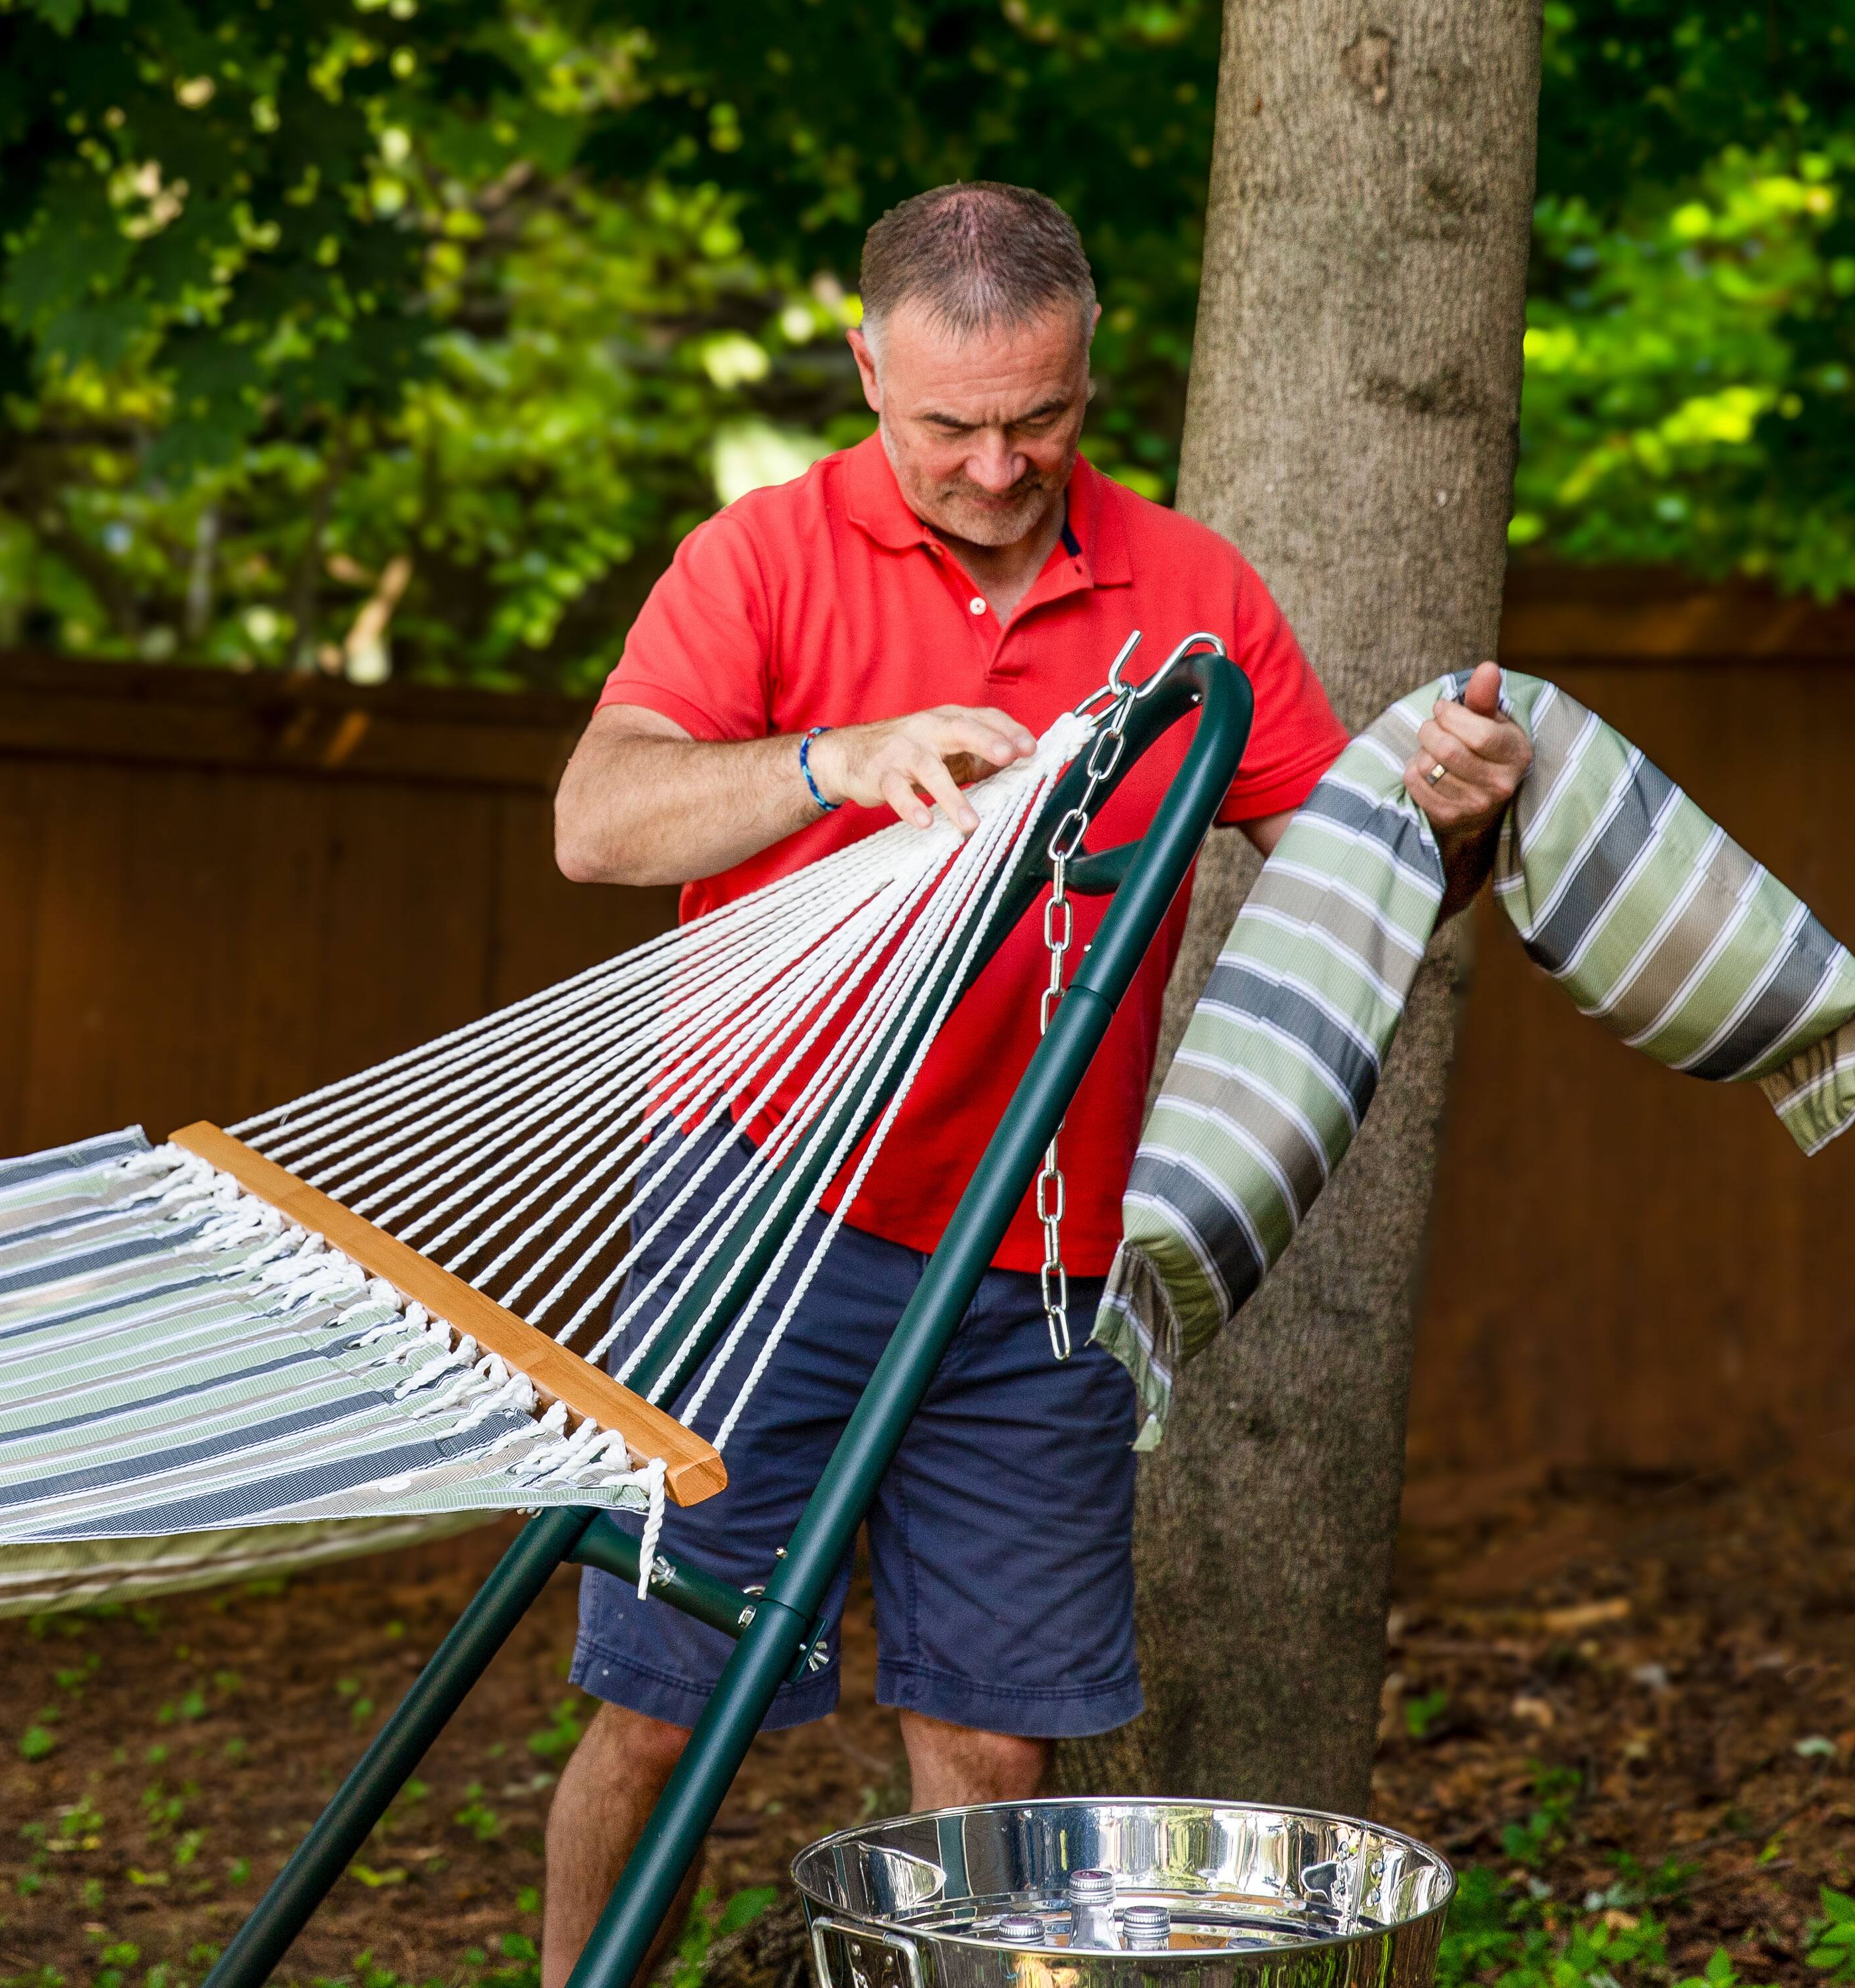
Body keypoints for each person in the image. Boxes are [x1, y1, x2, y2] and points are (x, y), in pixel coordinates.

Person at [542, 180, 1530, 1982]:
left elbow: (1351, 876)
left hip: (1042, 1263)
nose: (999, 470)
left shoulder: (1193, 591)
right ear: (863, 368)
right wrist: (839, 757)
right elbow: (599, 821)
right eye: (949, 429)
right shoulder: (761, 557)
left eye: (1042, 421)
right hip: (761, 1211)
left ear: (1092, 378)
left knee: (996, 1761)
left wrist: (1456, 836)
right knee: (667, 1709)